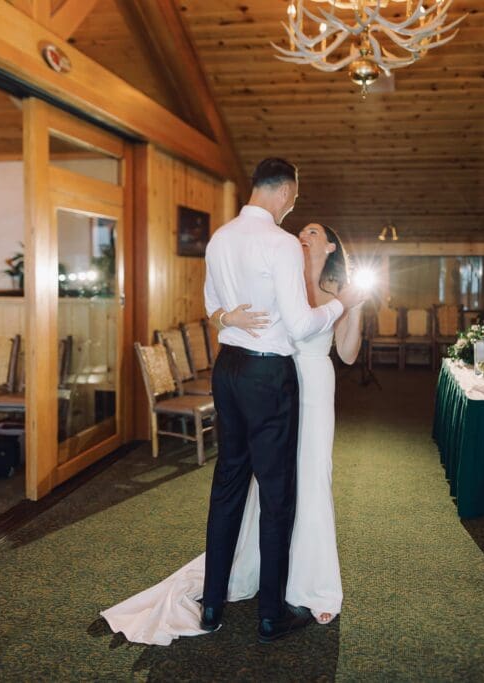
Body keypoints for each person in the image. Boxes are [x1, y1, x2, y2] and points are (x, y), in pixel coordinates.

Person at [104, 158, 364, 644]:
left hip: (228, 372)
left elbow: (210, 304)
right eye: (295, 197)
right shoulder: (281, 243)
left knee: (227, 487)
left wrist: (227, 317)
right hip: (269, 376)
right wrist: (342, 304)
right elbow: (304, 325)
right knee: (276, 493)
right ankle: (270, 615)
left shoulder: (220, 237)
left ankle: (212, 607)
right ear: (286, 191)